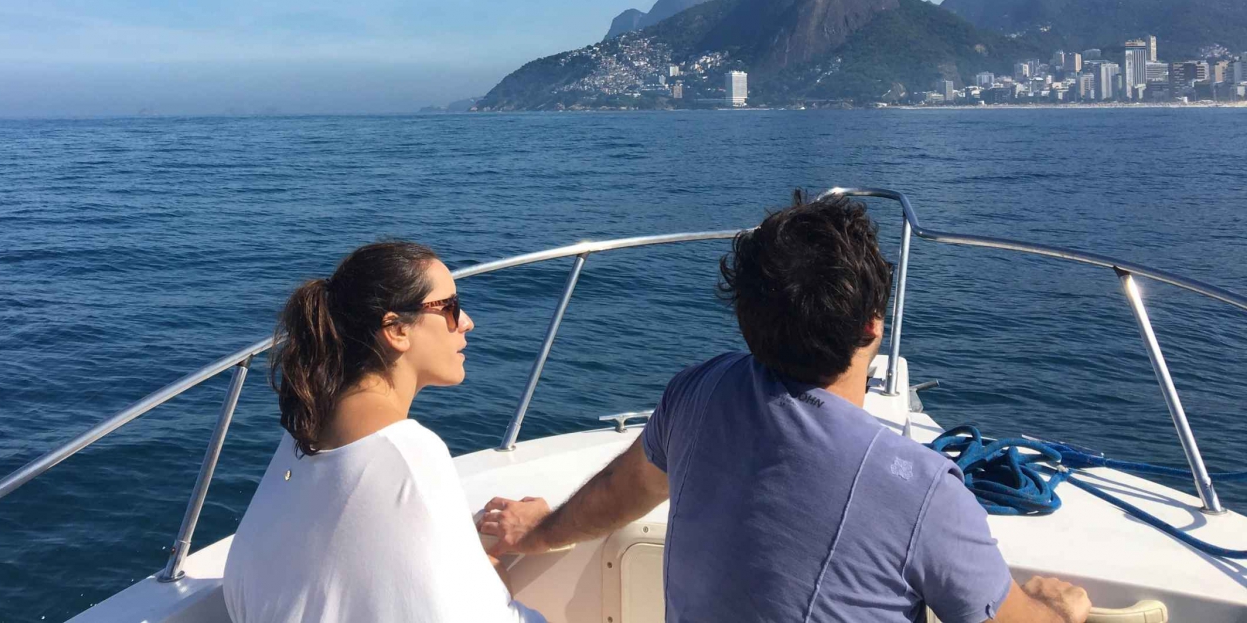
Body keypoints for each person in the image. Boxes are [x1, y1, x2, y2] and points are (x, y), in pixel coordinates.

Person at [480, 191, 1091, 623]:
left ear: (748, 321)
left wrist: (538, 531)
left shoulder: (695, 395)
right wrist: (1060, 611)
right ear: (874, 324)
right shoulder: (923, 489)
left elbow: (624, 489)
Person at [223, 240, 543, 623]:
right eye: (449, 308)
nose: (466, 321)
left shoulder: (304, 433)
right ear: (395, 330)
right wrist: (500, 563)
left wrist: (472, 553)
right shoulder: (407, 452)